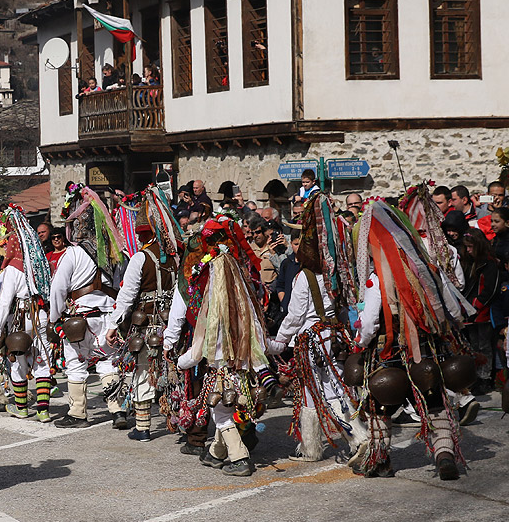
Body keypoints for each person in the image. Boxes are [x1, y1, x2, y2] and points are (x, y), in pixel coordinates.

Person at [354, 201, 471, 480]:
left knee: (380, 403)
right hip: (429, 346)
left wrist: (360, 342)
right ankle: (444, 454)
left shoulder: (376, 278)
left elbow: (369, 321)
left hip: (390, 350)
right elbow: (452, 309)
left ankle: (380, 460)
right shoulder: (428, 268)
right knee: (434, 399)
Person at [265, 195, 366, 465]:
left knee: (329, 391)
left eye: (298, 242)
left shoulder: (304, 277)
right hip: (331, 337)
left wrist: (278, 342)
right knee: (316, 391)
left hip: (313, 342)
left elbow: (295, 316)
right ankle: (310, 448)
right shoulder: (333, 273)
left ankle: (358, 438)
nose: (294, 247)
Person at [173, 215, 270, 477]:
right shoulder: (245, 308)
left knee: (221, 415)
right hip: (244, 368)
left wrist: (179, 361)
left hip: (221, 371)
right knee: (225, 410)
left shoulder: (212, 315)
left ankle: (239, 459)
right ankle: (215, 453)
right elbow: (260, 338)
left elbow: (197, 351)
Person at [48, 184, 128, 429]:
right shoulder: (116, 253)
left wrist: (54, 318)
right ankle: (118, 411)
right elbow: (120, 285)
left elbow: (58, 289)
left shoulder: (72, 255)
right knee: (108, 361)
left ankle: (78, 413)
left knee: (76, 362)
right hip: (108, 315)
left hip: (80, 318)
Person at [106, 186, 182, 442]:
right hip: (173, 324)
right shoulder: (175, 258)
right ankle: (179, 422)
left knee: (144, 372)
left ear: (143, 234)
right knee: (172, 371)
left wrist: (113, 325)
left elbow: (126, 296)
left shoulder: (140, 258)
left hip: (147, 326)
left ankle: (143, 427)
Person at [0, 206, 53, 421]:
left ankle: (22, 407)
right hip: (40, 315)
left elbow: (4, 303)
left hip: (21, 318)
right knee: (42, 359)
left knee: (18, 362)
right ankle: (43, 411)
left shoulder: (12, 269)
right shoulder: (39, 264)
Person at [461, 228, 500, 395]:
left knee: (484, 346)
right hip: (471, 311)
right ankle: (476, 378)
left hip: (482, 312)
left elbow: (489, 290)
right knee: (474, 346)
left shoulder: (489, 264)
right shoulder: (470, 262)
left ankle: (485, 378)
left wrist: (476, 305)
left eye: (471, 247)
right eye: (467, 247)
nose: (468, 250)